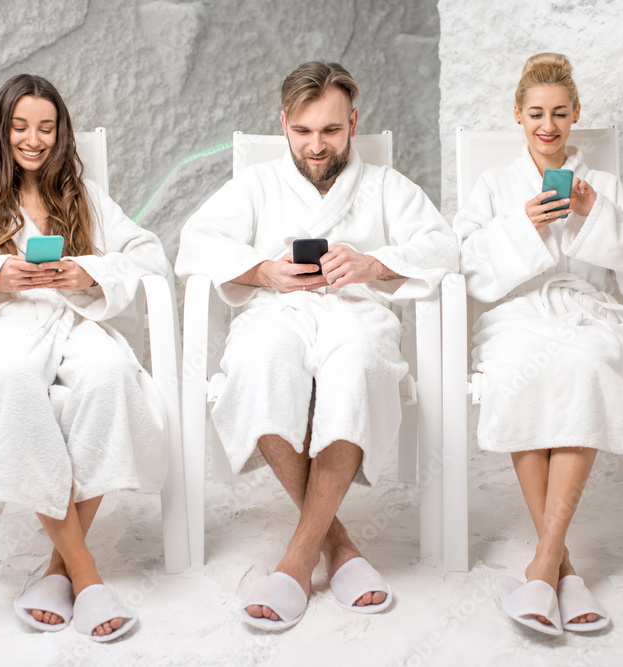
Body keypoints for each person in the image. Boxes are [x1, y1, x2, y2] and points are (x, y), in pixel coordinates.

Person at [176, 61, 458, 631]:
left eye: (330, 130)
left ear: (353, 122)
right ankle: (337, 544)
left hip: (356, 312)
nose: (316, 144)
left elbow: (443, 246)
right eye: (303, 131)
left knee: (356, 368)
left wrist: (373, 262)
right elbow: (195, 242)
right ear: (283, 124)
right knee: (258, 362)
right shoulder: (256, 184)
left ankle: (297, 559)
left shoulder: (385, 186)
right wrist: (262, 271)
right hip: (277, 311)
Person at [0, 74, 171, 642]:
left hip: (71, 321)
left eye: (46, 127)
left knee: (112, 373)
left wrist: (87, 271)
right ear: (2, 129)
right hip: (5, 330)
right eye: (20, 127)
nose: (33, 140)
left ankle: (54, 570)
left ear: (61, 133)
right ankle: (86, 575)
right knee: (14, 379)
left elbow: (150, 253)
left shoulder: (83, 195)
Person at [454, 53, 623, 636]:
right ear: (518, 116)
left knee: (585, 365)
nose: (547, 125)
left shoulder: (603, 185)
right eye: (536, 113)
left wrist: (592, 213)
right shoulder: (494, 186)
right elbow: (467, 266)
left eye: (559, 113)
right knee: (520, 373)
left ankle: (542, 563)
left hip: (586, 314)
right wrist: (519, 227)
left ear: (575, 114)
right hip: (516, 317)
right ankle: (563, 568)